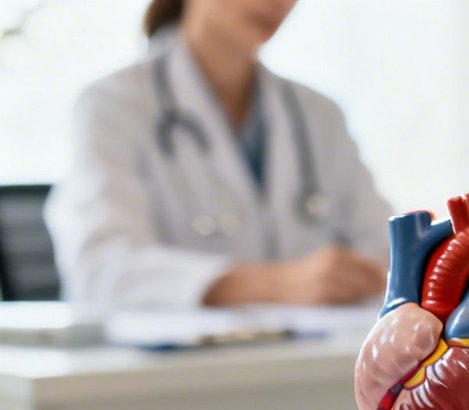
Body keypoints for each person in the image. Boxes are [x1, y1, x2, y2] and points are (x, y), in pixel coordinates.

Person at [45, 0, 391, 312]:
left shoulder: (318, 115)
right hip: (175, 375)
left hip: (310, 366)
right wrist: (274, 285)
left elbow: (386, 250)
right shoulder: (113, 105)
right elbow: (100, 268)